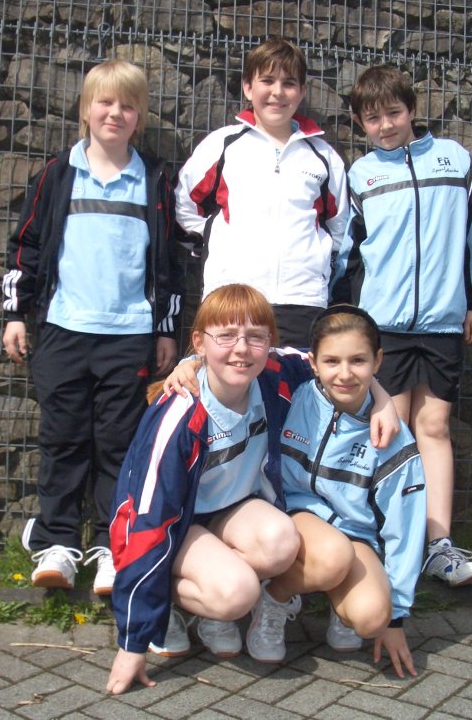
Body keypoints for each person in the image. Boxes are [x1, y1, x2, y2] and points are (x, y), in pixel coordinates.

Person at [106, 284, 399, 695]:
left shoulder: (274, 375)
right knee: (237, 592)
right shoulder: (181, 412)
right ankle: (164, 608)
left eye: (256, 337)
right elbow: (149, 520)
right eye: (226, 336)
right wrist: (133, 641)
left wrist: (382, 399)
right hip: (173, 527)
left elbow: (331, 363)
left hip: (229, 514)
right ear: (199, 343)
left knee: (281, 539)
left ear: (269, 344)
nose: (242, 349)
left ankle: (213, 607)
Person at [1, 59, 183, 595]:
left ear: (140, 117)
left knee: (117, 444)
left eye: (128, 105)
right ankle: (57, 543)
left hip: (129, 336)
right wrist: (15, 312)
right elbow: (27, 246)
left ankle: (109, 545)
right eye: (105, 102)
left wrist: (166, 330)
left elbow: (168, 262)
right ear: (85, 109)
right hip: (63, 330)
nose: (115, 113)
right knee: (62, 438)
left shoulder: (154, 179)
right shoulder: (58, 174)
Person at [332, 65, 472, 587]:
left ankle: (438, 546)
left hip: (444, 322)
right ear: (360, 123)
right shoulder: (360, 175)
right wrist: (347, 317)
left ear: (412, 110)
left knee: (434, 429)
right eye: (372, 118)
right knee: (390, 432)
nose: (385, 125)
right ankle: (387, 544)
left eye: (394, 113)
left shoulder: (456, 160)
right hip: (385, 326)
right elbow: (347, 253)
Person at [247, 305, 425, 676]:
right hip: (296, 515)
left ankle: (339, 602)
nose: (344, 374)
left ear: (377, 361)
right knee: (332, 557)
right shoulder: (293, 393)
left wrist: (396, 618)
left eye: (358, 361)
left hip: (355, 535)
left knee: (373, 617)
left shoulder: (394, 438)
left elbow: (405, 529)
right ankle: (274, 598)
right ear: (313, 363)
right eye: (332, 361)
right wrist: (192, 364)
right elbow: (243, 356)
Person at [174, 36, 350, 348]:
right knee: (232, 379)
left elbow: (340, 228)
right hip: (231, 297)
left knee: (295, 381)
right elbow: (185, 206)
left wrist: (317, 265)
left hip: (302, 300)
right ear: (247, 87)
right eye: (267, 81)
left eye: (289, 83)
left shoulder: (323, 156)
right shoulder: (222, 145)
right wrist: (216, 242)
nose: (277, 92)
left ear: (302, 92)